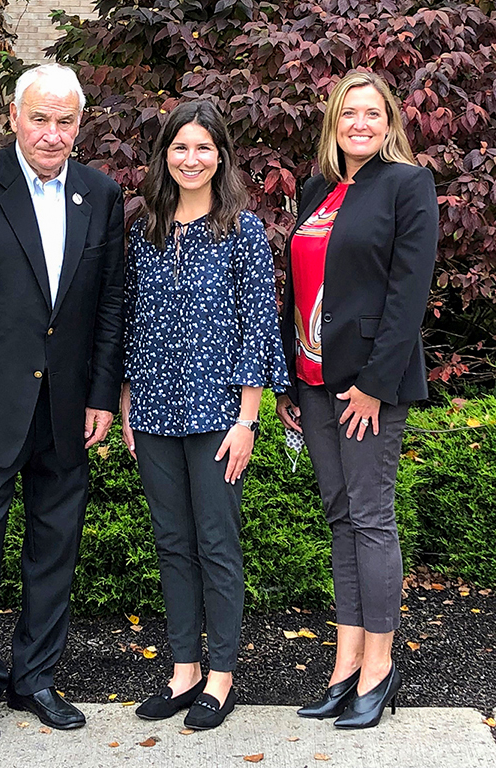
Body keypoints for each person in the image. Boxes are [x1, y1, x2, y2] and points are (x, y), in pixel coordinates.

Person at [0, 63, 124, 745]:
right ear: (15, 115)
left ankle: (34, 676)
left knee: (54, 548)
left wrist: (100, 394)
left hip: (65, 408)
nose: (53, 133)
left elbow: (108, 306)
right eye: (41, 117)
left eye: (66, 120)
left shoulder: (99, 193)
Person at [275, 71, 438, 729]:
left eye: (372, 113)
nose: (360, 124)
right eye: (349, 114)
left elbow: (408, 294)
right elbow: (305, 286)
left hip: (369, 384)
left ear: (389, 121)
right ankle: (345, 666)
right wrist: (289, 377)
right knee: (340, 516)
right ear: (334, 124)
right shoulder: (318, 189)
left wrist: (373, 385)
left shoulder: (407, 185)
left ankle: (378, 668)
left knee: (371, 516)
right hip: (314, 381)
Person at [120, 101, 288, 730]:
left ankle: (221, 676)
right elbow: (133, 324)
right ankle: (183, 670)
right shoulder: (146, 231)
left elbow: (258, 329)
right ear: (165, 156)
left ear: (221, 157)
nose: (191, 160)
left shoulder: (241, 230)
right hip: (156, 410)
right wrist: (129, 404)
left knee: (216, 544)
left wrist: (249, 418)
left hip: (220, 414)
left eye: (203, 148)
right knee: (172, 543)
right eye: (179, 148)